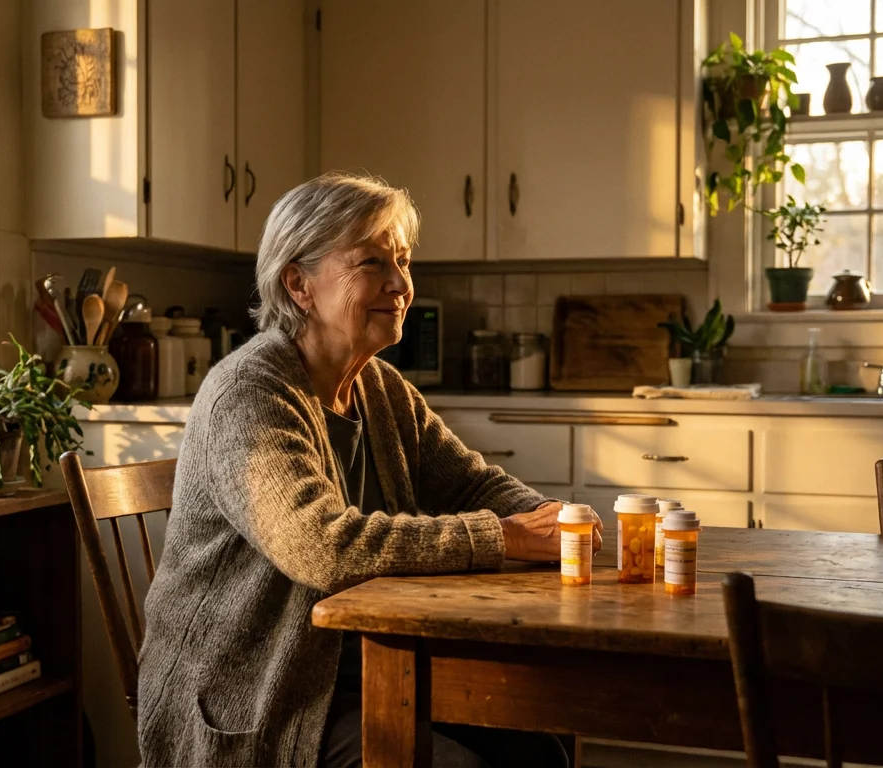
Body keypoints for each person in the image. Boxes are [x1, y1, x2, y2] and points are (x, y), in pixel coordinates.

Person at [135, 172, 602, 767]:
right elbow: (323, 547)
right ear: (299, 284)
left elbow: (469, 482)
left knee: (543, 750)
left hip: (360, 672)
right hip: (251, 700)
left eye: (403, 262)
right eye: (372, 263)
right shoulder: (248, 393)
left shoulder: (379, 387)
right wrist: (504, 536)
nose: (401, 284)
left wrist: (548, 517)